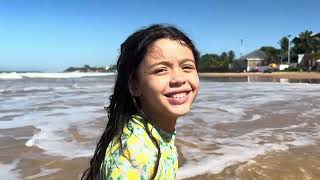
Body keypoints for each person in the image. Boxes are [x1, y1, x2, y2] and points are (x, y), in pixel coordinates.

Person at [82, 24, 200, 180]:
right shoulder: (134, 159)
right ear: (134, 85)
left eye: (187, 67)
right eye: (161, 70)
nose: (179, 79)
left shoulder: (155, 131)